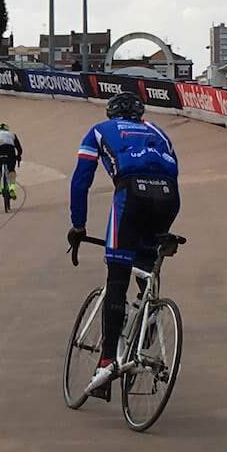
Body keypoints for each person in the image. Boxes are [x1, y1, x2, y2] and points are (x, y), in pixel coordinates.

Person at [67, 91, 180, 400]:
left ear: (110, 114)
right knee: (145, 262)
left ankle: (106, 364)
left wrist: (78, 226)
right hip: (169, 197)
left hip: (131, 195)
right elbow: (173, 169)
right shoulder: (158, 131)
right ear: (140, 115)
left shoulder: (99, 131)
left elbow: (80, 182)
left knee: (117, 279)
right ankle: (149, 318)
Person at [0, 123, 23, 195]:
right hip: (9, 150)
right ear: (7, 129)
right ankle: (12, 187)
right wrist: (18, 156)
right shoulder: (12, 134)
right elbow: (19, 149)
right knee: (11, 168)